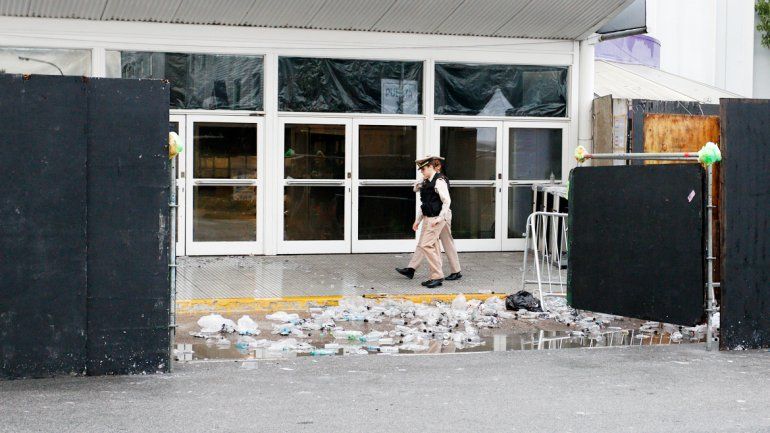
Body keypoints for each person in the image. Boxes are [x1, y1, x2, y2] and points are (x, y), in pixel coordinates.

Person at [396, 157, 462, 284]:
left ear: (432, 167)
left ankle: (450, 272)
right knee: (428, 243)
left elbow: (446, 201)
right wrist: (418, 220)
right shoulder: (427, 181)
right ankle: (414, 269)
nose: (421, 171)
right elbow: (423, 200)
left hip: (440, 216)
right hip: (432, 216)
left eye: (423, 169)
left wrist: (441, 218)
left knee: (440, 243)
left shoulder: (440, 180)